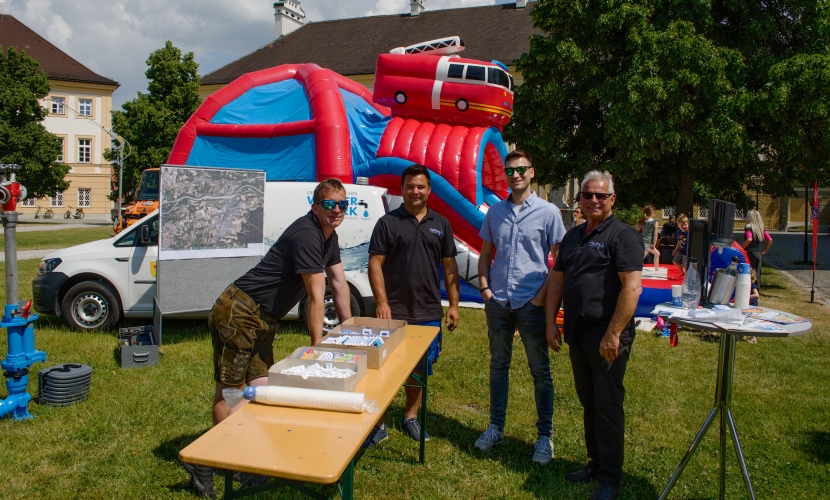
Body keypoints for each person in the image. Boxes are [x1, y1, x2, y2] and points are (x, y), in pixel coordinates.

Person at [182, 178, 353, 497]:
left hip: (262, 319)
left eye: (343, 204)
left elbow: (339, 284)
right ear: (315, 206)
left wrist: (351, 330)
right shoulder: (306, 234)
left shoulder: (329, 238)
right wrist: (318, 345)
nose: (337, 210)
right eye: (329, 204)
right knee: (229, 392)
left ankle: (236, 453)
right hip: (239, 312)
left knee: (260, 390)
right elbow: (316, 295)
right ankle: (215, 460)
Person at [545, 170, 643, 500]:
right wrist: (550, 323)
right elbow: (557, 281)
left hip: (607, 336)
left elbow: (632, 287)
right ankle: (595, 463)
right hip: (578, 332)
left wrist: (613, 334)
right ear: (580, 200)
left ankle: (611, 478)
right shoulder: (573, 237)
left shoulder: (623, 236)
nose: (594, 200)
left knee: (608, 405)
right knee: (589, 401)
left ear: (612, 199)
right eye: (587, 195)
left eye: (601, 195)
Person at [473, 150, 566, 466]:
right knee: (498, 365)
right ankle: (496, 427)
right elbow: (485, 252)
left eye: (521, 169)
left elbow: (559, 260)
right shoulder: (495, 212)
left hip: (531, 302)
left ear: (531, 173)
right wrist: (485, 288)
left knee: (540, 370)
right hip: (498, 301)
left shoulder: (549, 212)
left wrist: (542, 297)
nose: (515, 175)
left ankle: (544, 437)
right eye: (510, 170)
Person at [364, 164, 460, 447]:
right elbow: (375, 264)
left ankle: (410, 417)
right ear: (402, 189)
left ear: (429, 190)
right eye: (409, 186)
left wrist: (453, 305)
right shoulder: (387, 223)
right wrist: (381, 303)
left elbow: (450, 266)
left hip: (428, 312)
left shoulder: (441, 224)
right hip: (392, 312)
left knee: (419, 371)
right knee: (382, 371)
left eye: (420, 186)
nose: (415, 191)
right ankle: (378, 424)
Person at [742, 210, 773, 288]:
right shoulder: (761, 228)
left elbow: (749, 239)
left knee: (748, 271)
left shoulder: (748, 227)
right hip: (757, 253)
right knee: (757, 273)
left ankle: (749, 289)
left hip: (749, 252)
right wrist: (765, 250)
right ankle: (756, 289)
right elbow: (769, 239)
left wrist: (741, 248)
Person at [641, 206, 660, 271]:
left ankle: (657, 269)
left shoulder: (643, 221)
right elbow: (655, 233)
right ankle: (634, 268)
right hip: (649, 241)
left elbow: (636, 229)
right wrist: (654, 243)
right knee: (642, 257)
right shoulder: (654, 221)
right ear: (652, 213)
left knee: (657, 253)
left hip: (643, 239)